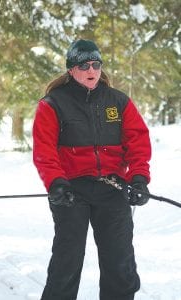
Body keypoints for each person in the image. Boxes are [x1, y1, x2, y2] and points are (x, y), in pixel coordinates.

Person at [33, 39, 151, 300]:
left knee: (120, 261)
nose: (92, 70)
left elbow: (138, 143)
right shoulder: (53, 104)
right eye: (84, 65)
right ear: (71, 70)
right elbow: (44, 151)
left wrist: (139, 179)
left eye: (96, 64)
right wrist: (56, 183)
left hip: (112, 187)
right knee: (68, 259)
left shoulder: (118, 102)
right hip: (72, 190)